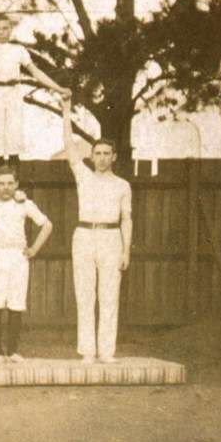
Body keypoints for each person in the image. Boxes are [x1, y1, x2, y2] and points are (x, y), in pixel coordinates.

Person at [62, 97, 133, 364]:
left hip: (111, 238)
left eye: (106, 154)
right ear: (91, 156)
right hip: (83, 236)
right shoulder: (83, 176)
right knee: (85, 293)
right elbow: (69, 147)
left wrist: (126, 250)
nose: (102, 158)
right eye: (98, 153)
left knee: (109, 295)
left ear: (114, 157)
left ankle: (106, 351)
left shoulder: (122, 185)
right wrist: (66, 112)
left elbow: (127, 219)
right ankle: (88, 351)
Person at [0, 0, 70, 168]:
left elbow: (36, 72)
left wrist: (59, 88)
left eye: (5, 28)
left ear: (11, 30)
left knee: (14, 138)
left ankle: (15, 181)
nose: (1, 32)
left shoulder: (18, 50)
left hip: (14, 92)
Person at [0, 166, 53, 364]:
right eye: (0, 183)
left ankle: (13, 351)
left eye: (9, 183)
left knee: (16, 303)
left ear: (16, 184)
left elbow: (47, 225)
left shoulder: (25, 203)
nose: (5, 188)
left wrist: (33, 249)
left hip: (18, 255)